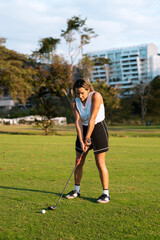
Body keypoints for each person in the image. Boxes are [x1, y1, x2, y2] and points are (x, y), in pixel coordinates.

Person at [66, 79, 110, 203]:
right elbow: (78, 121)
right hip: (83, 129)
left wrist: (87, 139)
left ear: (88, 90)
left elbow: (92, 118)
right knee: (78, 161)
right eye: (77, 94)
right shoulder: (74, 102)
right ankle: (76, 190)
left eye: (82, 93)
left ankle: (105, 194)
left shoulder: (96, 96)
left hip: (98, 128)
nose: (80, 96)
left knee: (99, 161)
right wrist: (81, 140)